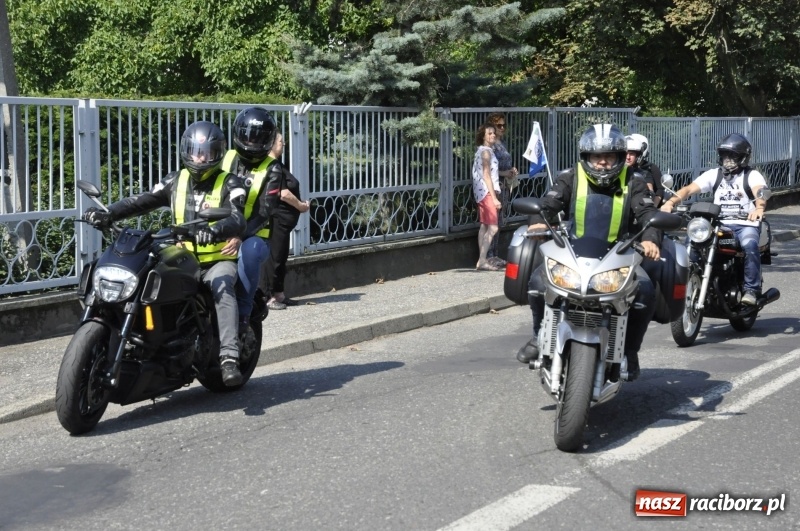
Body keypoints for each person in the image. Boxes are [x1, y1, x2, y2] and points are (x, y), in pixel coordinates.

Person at [82, 121, 248, 386]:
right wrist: (109, 213)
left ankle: (229, 357)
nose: (199, 158)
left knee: (223, 287)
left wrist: (215, 230)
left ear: (217, 153)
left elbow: (238, 218)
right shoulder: (175, 180)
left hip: (216, 260)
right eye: (194, 151)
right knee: (148, 275)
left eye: (206, 152)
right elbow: (142, 200)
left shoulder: (231, 182)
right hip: (183, 255)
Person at [516, 124, 662, 382]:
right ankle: (540, 335)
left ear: (619, 158)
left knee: (646, 291)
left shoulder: (634, 182)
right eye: (597, 157)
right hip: (574, 251)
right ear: (586, 157)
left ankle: (630, 350)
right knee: (539, 282)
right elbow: (548, 203)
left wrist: (650, 239)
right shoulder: (570, 177)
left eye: (609, 157)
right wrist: (538, 222)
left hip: (621, 253)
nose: (603, 163)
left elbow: (648, 214)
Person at [660, 133, 767, 306]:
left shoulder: (752, 175)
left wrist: (759, 207)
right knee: (693, 241)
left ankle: (751, 290)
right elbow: (688, 189)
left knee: (749, 245)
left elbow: (759, 191)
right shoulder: (714, 174)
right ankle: (689, 277)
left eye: (733, 155)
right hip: (719, 224)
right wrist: (671, 202)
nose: (728, 159)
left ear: (743, 157)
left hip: (744, 224)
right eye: (725, 155)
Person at [219, 107, 284, 324]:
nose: (251, 142)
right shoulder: (226, 157)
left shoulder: (272, 169)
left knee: (249, 252)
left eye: (258, 138)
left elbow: (266, 211)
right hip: (219, 229)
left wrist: (240, 235)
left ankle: (243, 315)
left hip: (254, 234)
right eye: (247, 136)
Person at [263, 132, 311, 310]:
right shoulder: (271, 166)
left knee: (281, 257)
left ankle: (279, 294)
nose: (283, 144)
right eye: (281, 142)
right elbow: (283, 194)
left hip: (283, 222)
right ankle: (268, 297)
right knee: (274, 258)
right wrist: (301, 206)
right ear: (271, 144)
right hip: (276, 219)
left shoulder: (278, 164)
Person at [485, 112, 519, 267]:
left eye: (504, 125)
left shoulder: (501, 143)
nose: (502, 128)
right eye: (499, 125)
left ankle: (495, 254)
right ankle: (488, 255)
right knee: (491, 222)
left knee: (499, 221)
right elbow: (486, 170)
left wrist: (511, 170)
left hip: (504, 186)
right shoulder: (489, 146)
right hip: (493, 188)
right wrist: (503, 173)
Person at [472, 123, 503, 271]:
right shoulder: (486, 152)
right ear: (483, 136)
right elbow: (487, 175)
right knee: (494, 227)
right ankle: (482, 260)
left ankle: (482, 259)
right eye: (489, 133)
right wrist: (494, 197)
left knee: (484, 226)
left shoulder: (483, 151)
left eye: (493, 133)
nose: (492, 135)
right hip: (486, 192)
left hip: (481, 192)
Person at [625, 133, 665, 207]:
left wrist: (652, 207)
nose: (628, 157)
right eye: (625, 154)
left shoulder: (645, 173)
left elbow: (651, 192)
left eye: (631, 154)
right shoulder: (615, 172)